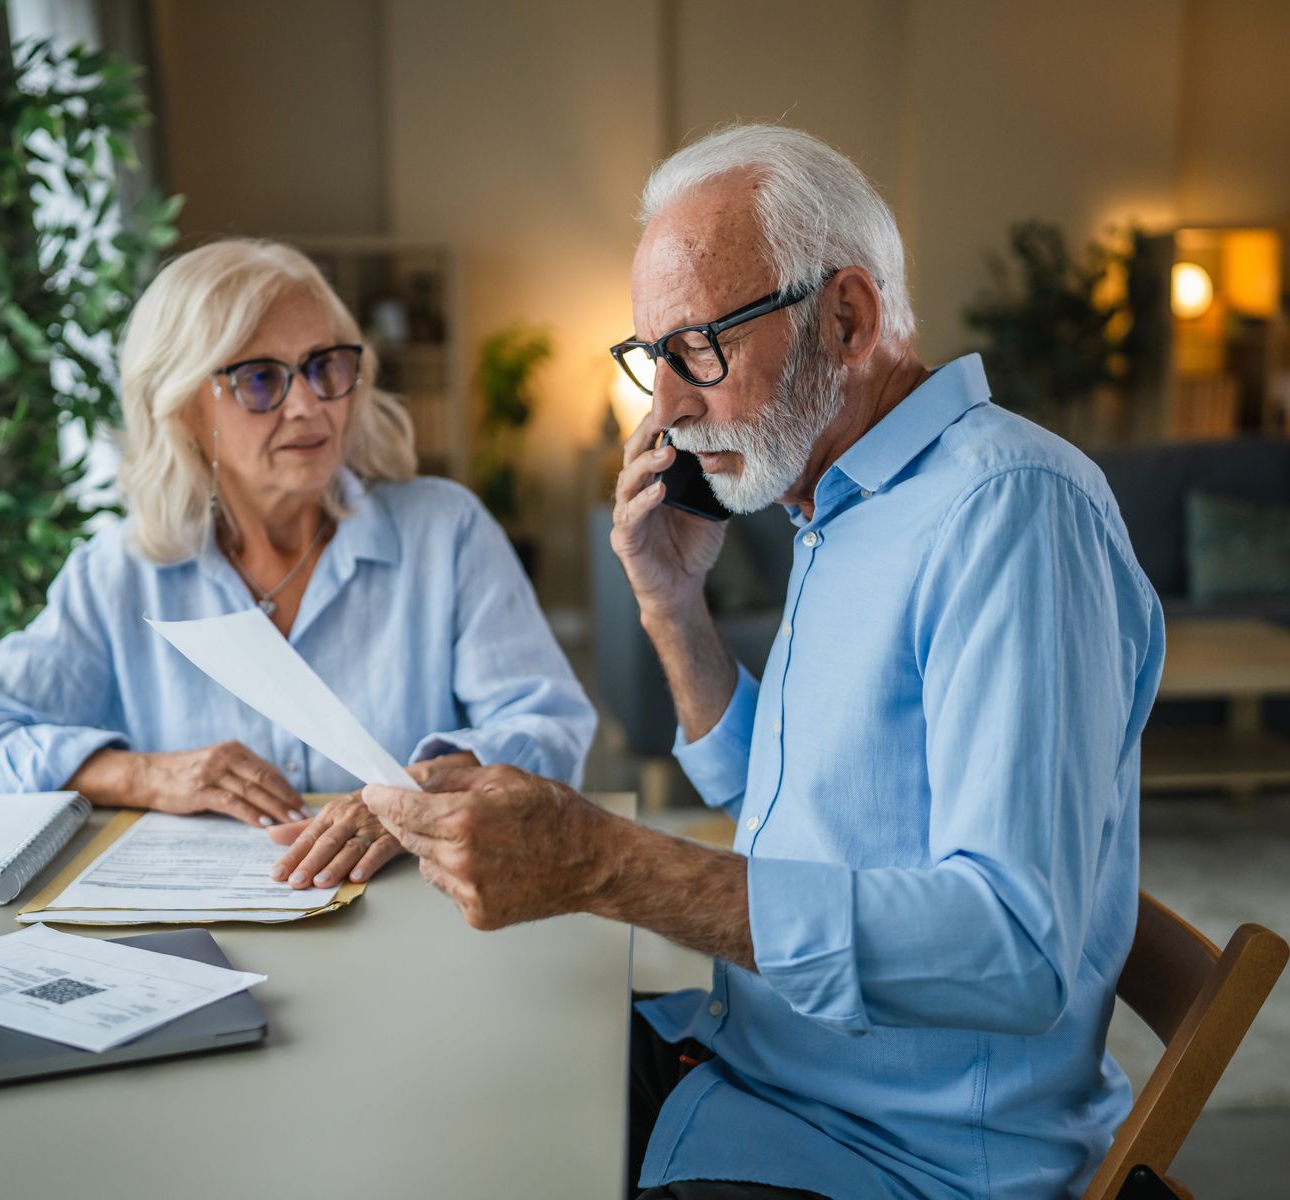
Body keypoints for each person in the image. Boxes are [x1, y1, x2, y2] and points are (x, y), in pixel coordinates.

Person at [364, 125, 1164, 1200]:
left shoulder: (1008, 512)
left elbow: (1010, 947)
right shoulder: (839, 506)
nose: (670, 408)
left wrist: (605, 865)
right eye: (654, 358)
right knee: (445, 1070)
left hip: (895, 1160)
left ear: (847, 317)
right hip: (760, 1075)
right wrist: (672, 605)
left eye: (699, 348)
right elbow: (785, 807)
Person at [0, 238, 595, 891]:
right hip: (201, 942)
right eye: (261, 379)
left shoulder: (445, 532)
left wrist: (422, 792)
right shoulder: (121, 574)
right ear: (181, 405)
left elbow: (549, 730)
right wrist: (145, 776)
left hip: (426, 914)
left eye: (326, 365)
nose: (310, 405)